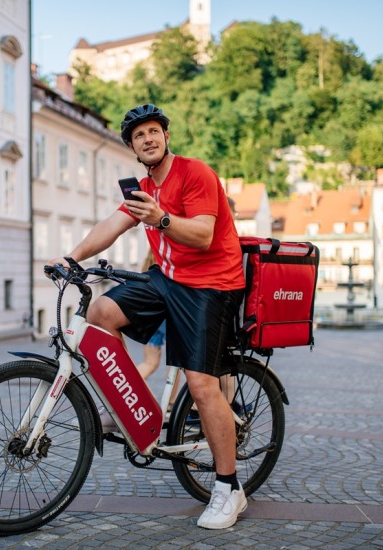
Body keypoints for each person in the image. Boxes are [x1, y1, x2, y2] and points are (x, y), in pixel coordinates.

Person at [47, 104, 247, 530]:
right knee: (101, 310)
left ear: (166, 136)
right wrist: (72, 257)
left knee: (201, 384)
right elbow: (113, 223)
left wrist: (163, 218)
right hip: (167, 279)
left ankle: (229, 488)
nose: (148, 139)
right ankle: (132, 407)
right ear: (132, 147)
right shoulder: (141, 188)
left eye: (154, 132)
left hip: (212, 284)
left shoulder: (196, 174)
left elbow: (203, 234)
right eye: (139, 136)